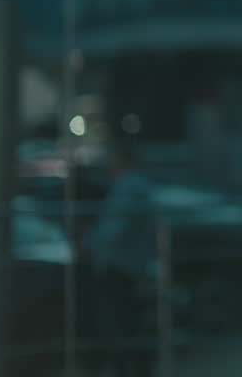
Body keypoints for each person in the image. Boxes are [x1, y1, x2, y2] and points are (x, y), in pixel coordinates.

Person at [83, 138, 155, 377]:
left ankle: (128, 369)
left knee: (121, 324)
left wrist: (89, 243)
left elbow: (116, 227)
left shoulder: (129, 188)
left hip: (120, 266)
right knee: (127, 324)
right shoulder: (133, 186)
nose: (107, 164)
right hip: (128, 265)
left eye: (111, 158)